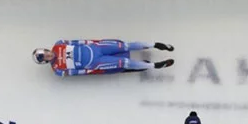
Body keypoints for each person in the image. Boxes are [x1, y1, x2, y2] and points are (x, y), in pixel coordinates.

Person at [34, 39, 174, 75]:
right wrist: (90, 70)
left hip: (96, 47)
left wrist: (93, 43)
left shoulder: (59, 44)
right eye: (45, 57)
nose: (47, 55)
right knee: (124, 62)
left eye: (45, 53)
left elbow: (77, 42)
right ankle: (153, 65)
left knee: (125, 46)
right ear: (45, 62)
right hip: (96, 62)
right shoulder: (58, 69)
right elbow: (77, 72)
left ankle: (155, 44)